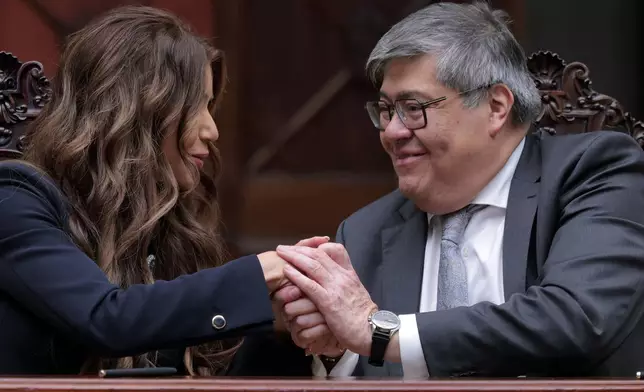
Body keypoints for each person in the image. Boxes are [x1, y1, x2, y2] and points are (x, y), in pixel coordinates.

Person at [271, 0, 644, 378]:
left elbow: (578, 318)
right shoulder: (363, 233)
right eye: (385, 110)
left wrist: (382, 334)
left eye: (413, 108)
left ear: (496, 107)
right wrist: (339, 351)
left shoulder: (593, 172)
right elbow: (361, 359)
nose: (392, 132)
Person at [0, 5, 330, 376]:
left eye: (210, 107)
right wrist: (262, 271)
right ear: (137, 110)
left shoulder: (162, 222)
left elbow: (216, 361)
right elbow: (107, 319)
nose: (212, 130)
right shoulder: (14, 199)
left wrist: (306, 336)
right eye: (196, 106)